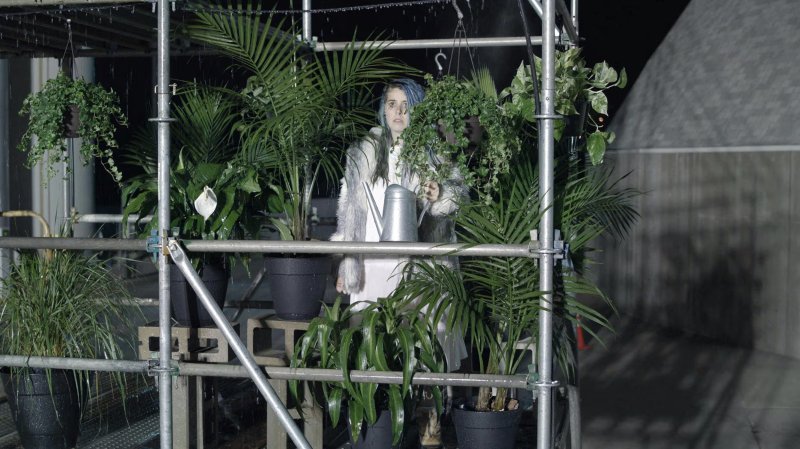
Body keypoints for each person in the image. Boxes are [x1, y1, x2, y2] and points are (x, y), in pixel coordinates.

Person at [330, 78, 468, 370]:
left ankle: (426, 398)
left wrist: (441, 193)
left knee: (422, 344)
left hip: (419, 268)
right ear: (384, 109)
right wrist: (346, 263)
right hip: (372, 264)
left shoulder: (433, 153)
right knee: (372, 342)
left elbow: (459, 195)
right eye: (392, 104)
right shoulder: (364, 153)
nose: (399, 112)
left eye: (406, 105)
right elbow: (349, 210)